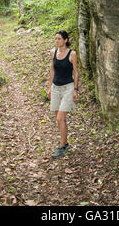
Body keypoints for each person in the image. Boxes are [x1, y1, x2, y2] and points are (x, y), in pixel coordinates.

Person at [47, 30, 79, 159]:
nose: (57, 41)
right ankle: (65, 144)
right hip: (56, 88)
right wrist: (49, 88)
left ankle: (61, 147)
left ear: (65, 40)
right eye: (56, 38)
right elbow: (52, 70)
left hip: (68, 88)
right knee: (59, 119)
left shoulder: (72, 54)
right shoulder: (53, 52)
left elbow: (76, 73)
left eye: (59, 38)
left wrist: (76, 89)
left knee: (60, 118)